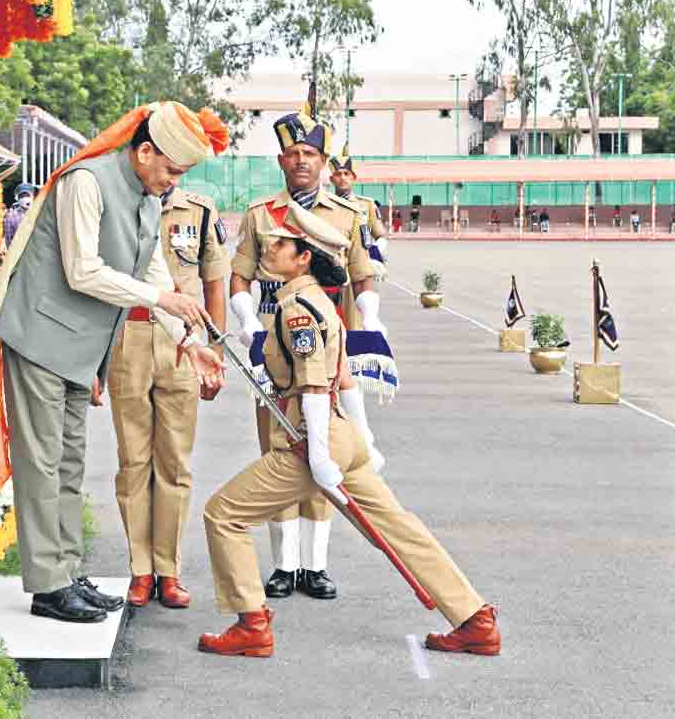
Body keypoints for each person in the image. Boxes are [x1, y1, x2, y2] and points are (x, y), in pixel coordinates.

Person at [199, 204, 501, 659]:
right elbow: (341, 379)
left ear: (303, 258)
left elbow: (317, 386)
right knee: (400, 528)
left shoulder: (296, 309)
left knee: (223, 514)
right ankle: (473, 618)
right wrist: (359, 441)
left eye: (280, 244)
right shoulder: (318, 303)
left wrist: (319, 456)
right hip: (342, 438)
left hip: (311, 442)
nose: (269, 248)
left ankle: (251, 624)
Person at [0, 102, 228, 624]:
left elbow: (157, 272)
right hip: (41, 337)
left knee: (70, 462)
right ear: (144, 152)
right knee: (42, 463)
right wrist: (164, 302)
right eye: (170, 170)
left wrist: (191, 342)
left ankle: (67, 572)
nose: (172, 182)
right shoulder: (87, 182)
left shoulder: (146, 197)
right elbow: (83, 271)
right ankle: (48, 585)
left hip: (80, 349)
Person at [229, 112, 383, 602]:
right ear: (280, 160)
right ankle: (284, 565)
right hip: (275, 354)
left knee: (326, 449)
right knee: (279, 451)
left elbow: (362, 277)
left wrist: (371, 322)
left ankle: (314, 566)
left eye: (310, 154)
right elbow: (240, 277)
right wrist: (249, 324)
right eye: (293, 154)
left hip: (327, 351)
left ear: (323, 161)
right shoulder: (260, 215)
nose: (301, 161)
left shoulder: (348, 214)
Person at [108, 186, 230, 609]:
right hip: (128, 336)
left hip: (184, 339)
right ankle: (140, 570)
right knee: (134, 460)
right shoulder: (117, 201)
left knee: (175, 461)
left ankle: (168, 570)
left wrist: (214, 348)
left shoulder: (198, 210)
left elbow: (214, 282)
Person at [328, 145, 388, 331]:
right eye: (339, 174)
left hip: (357, 271)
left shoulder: (366, 205)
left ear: (354, 178)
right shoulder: (325, 205)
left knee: (356, 321)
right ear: (332, 179)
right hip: (331, 271)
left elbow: (380, 236)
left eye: (347, 173)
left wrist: (373, 256)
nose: (343, 178)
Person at [2, 183, 35, 247]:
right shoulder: (11, 217)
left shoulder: (38, 212)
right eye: (22, 196)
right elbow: (8, 240)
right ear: (18, 198)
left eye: (27, 195)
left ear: (32, 197)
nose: (25, 198)